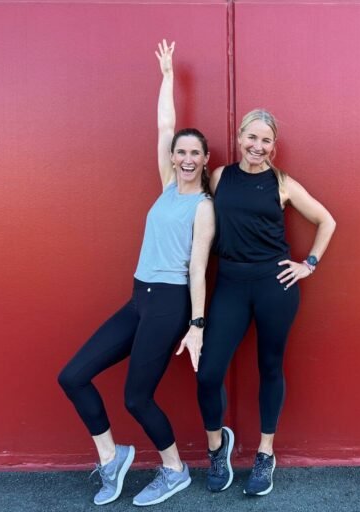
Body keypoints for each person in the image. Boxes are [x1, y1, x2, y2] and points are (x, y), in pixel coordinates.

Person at [57, 40, 214, 507]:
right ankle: (111, 457)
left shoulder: (203, 207)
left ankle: (175, 470)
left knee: (136, 398)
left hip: (170, 303)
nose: (186, 158)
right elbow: (165, 124)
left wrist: (197, 325)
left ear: (205, 161)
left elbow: (200, 268)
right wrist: (167, 77)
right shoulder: (167, 186)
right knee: (73, 376)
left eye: (194, 154)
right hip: (139, 297)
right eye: (180, 151)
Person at [196, 108, 337, 496]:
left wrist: (309, 264)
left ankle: (265, 453)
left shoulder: (283, 183)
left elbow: (327, 221)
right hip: (230, 284)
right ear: (240, 137)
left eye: (266, 140)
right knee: (209, 372)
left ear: (274, 146)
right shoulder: (220, 176)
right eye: (252, 138)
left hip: (275, 285)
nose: (258, 146)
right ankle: (216, 447)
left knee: (270, 366)